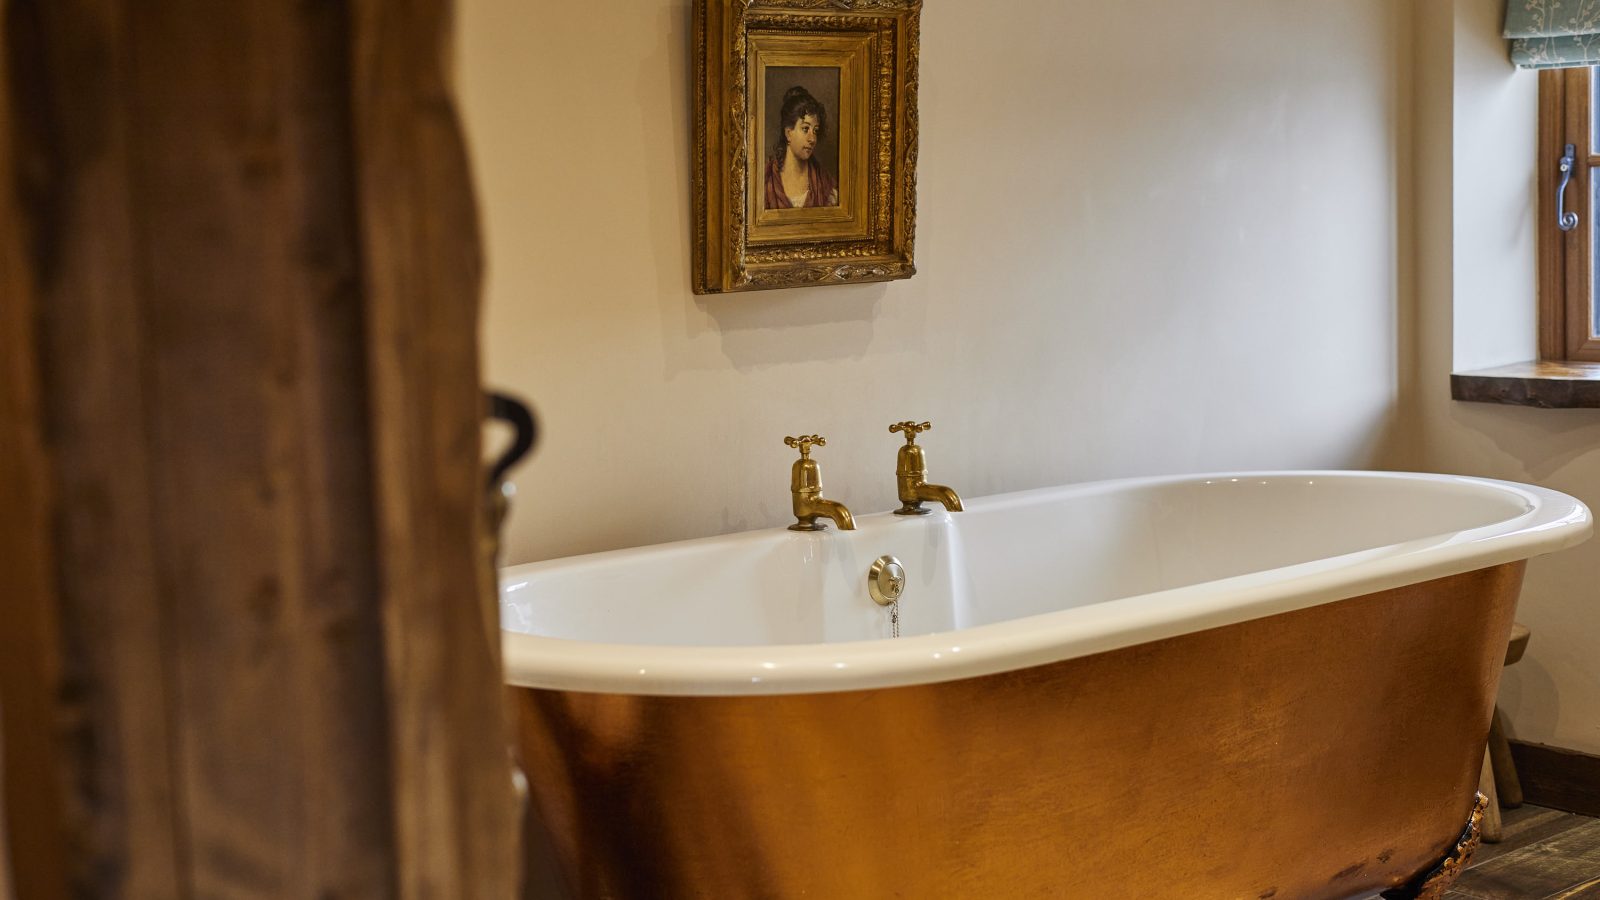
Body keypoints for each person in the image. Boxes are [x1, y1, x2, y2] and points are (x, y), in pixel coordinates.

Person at [764, 85, 839, 210]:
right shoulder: (767, 180)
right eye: (805, 129)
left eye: (815, 131)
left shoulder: (825, 184)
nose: (812, 139)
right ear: (788, 133)